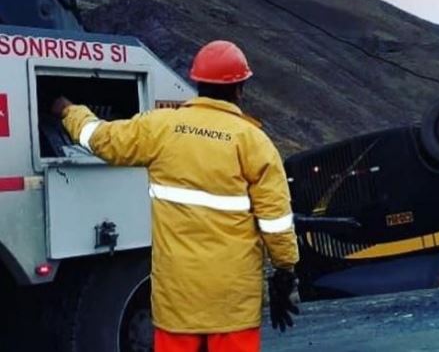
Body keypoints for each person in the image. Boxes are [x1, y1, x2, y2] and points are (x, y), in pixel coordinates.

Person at [51, 40, 300, 352]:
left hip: (177, 303)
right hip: (232, 304)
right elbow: (276, 220)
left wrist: (69, 111)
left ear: (197, 83)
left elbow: (99, 139)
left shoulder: (161, 127)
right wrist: (285, 270)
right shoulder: (254, 142)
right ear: (240, 88)